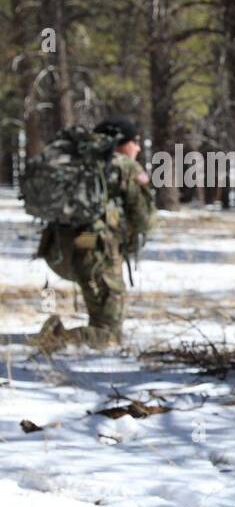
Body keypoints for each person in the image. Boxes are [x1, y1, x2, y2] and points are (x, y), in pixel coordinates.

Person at [34, 118, 155, 349]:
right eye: (134, 141)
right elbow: (144, 218)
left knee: (104, 322)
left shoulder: (77, 163)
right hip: (98, 254)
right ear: (120, 143)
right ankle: (56, 336)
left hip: (59, 249)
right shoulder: (125, 167)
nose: (138, 148)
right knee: (108, 334)